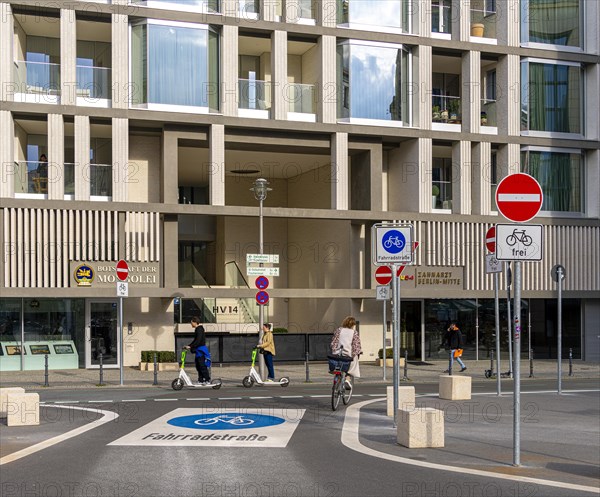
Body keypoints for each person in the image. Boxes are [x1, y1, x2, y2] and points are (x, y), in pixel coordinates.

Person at [330, 316, 362, 389]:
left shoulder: (339, 330)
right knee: (352, 364)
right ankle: (347, 380)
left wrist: (334, 350)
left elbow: (333, 343)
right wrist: (357, 354)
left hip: (337, 354)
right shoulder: (354, 333)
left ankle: (337, 379)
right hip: (347, 355)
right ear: (353, 325)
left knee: (339, 366)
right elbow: (356, 347)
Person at [184, 316, 211, 385]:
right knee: (198, 366)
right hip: (198, 350)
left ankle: (207, 380)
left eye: (191, 323)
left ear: (195, 322)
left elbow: (198, 340)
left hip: (201, 350)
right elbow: (195, 340)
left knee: (202, 366)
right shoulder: (198, 329)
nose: (191, 324)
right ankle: (201, 380)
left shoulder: (199, 329)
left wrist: (190, 346)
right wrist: (189, 346)